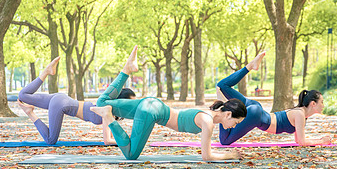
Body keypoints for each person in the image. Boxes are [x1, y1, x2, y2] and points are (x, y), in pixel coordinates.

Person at [91, 45, 247, 161]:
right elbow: (207, 156)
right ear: (227, 114)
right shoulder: (208, 122)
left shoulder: (210, 114)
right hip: (151, 112)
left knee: (102, 102)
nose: (235, 126)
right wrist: (229, 155)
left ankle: (127, 68)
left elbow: (224, 98)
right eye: (236, 121)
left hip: (152, 104)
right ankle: (109, 118)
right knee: (131, 154)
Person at [216, 52, 332, 146]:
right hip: (255, 115)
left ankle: (250, 66)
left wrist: (318, 139)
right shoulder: (300, 115)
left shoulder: (301, 114)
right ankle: (224, 106)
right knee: (225, 141)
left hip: (256, 110)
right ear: (313, 103)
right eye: (321, 102)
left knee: (222, 86)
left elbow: (298, 140)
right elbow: (302, 142)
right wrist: (322, 141)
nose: (323, 105)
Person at [18, 57, 136, 145]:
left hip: (62, 99)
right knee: (50, 140)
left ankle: (46, 72)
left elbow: (111, 136)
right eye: (130, 103)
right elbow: (107, 140)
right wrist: (128, 142)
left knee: (23, 95)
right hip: (60, 104)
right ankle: (30, 112)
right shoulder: (107, 111)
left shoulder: (109, 110)